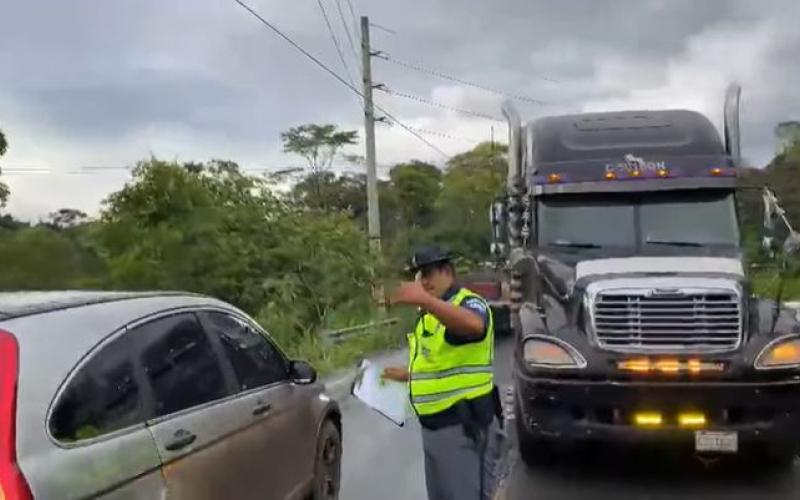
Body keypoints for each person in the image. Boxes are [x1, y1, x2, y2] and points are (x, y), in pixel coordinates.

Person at [383, 245, 508, 500]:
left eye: (428, 273)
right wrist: (407, 374)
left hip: (464, 427)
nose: (423, 281)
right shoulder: (431, 313)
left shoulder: (468, 302)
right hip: (433, 428)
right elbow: (442, 366)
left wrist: (426, 301)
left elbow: (474, 325)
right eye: (419, 275)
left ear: (447, 271)